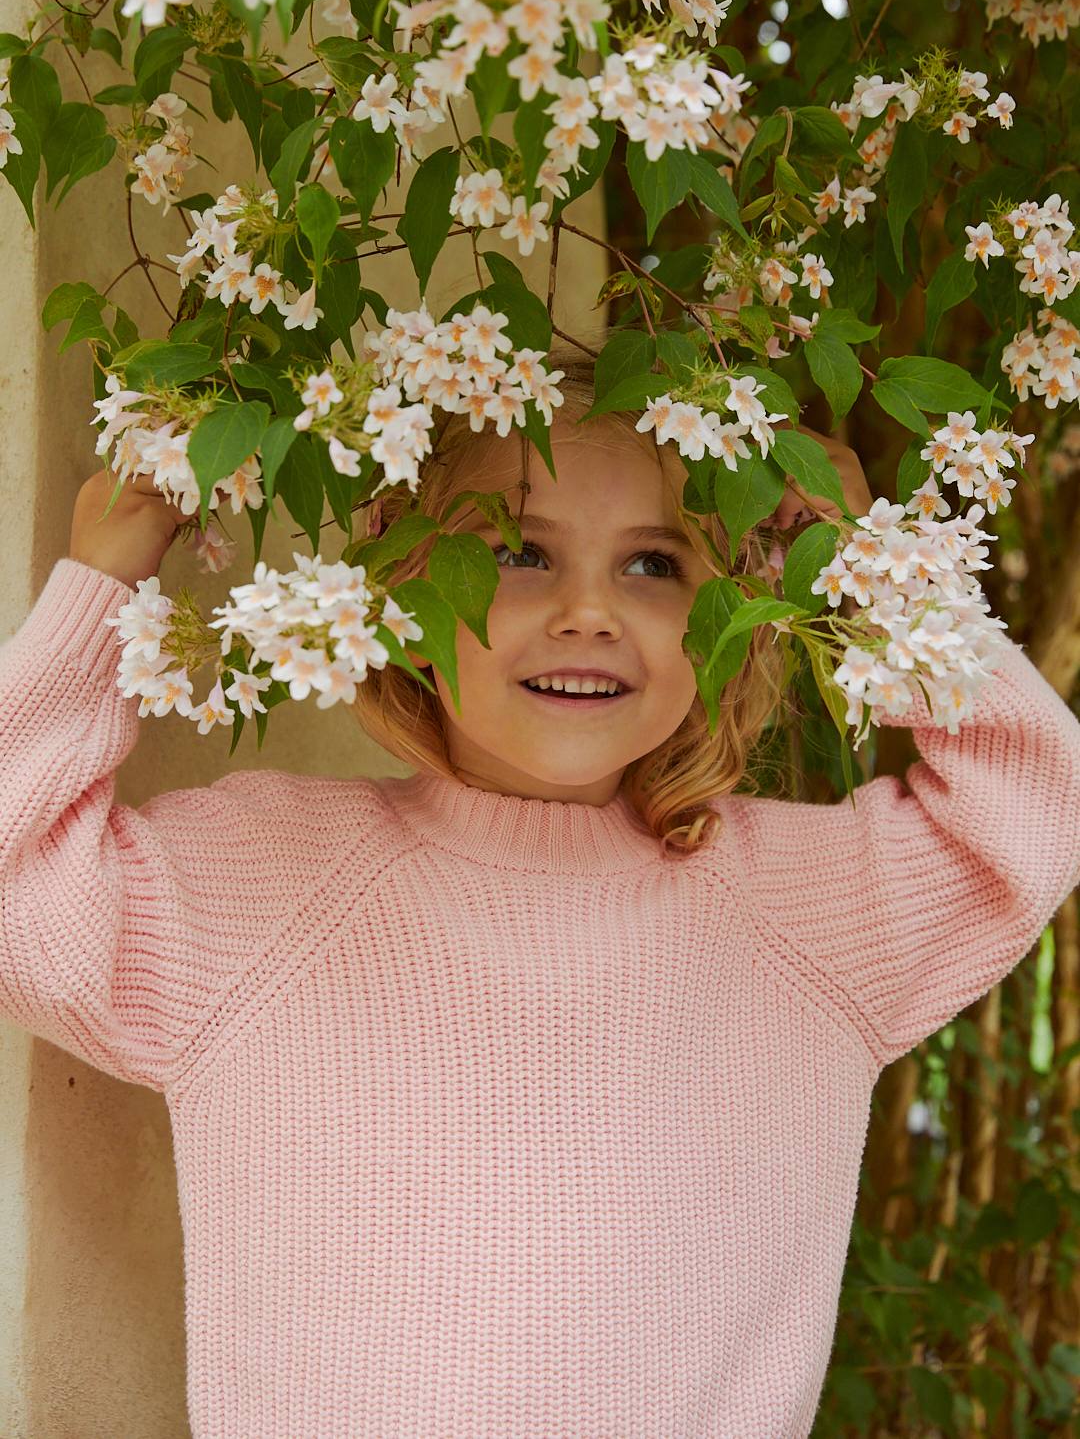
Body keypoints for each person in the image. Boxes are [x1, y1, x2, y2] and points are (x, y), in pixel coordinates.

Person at [2, 351, 1078, 1439]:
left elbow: (1035, 807)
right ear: (406, 585)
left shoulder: (805, 913)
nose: (588, 612)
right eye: (519, 552)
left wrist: (876, 569)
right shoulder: (266, 883)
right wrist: (102, 585)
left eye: (654, 564)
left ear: (732, 610)